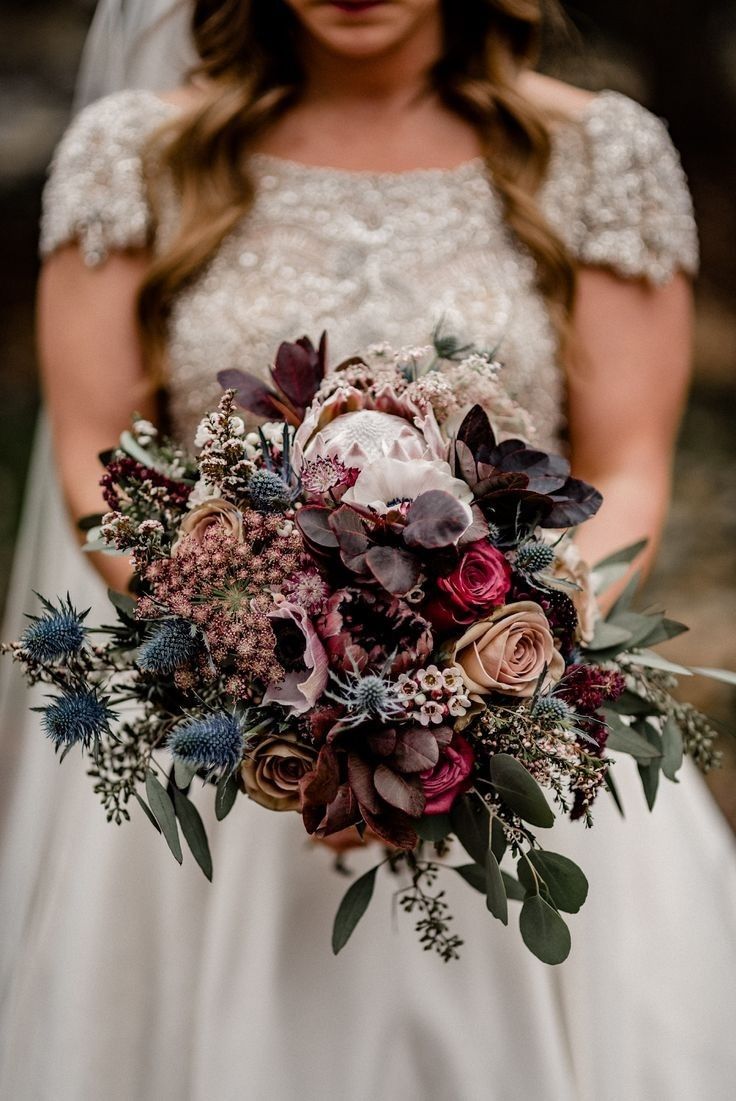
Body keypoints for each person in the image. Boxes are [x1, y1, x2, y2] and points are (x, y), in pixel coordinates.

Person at [1, 1, 735, 1097]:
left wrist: (491, 675)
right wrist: (263, 679)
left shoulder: (596, 156)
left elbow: (625, 467)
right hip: (229, 732)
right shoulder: (136, 155)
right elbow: (97, 460)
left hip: (515, 724)